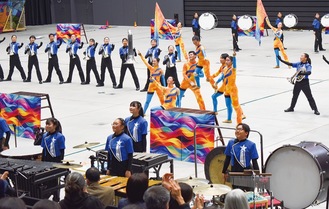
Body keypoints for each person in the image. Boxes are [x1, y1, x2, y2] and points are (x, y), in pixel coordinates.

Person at [222, 123, 259, 189]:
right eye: (236, 129)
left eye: (240, 129)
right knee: (236, 192)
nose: (237, 131)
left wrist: (257, 176)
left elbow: (254, 162)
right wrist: (224, 172)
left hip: (246, 173)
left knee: (247, 192)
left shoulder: (251, 145)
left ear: (246, 133)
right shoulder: (231, 143)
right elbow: (227, 158)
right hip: (234, 173)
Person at [211, 53, 233, 123]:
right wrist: (212, 78)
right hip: (224, 86)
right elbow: (219, 74)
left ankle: (240, 114)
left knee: (233, 103)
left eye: (222, 59)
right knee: (214, 96)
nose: (220, 60)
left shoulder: (231, 68)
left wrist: (216, 81)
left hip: (229, 87)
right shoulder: (223, 67)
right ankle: (215, 111)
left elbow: (222, 76)